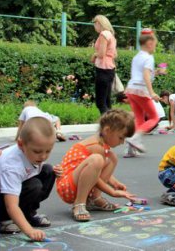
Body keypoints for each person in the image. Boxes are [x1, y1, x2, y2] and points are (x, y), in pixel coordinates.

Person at [56, 109, 136, 222]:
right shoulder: (96, 146)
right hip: (68, 186)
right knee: (97, 159)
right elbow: (96, 178)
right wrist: (112, 192)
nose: (122, 142)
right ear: (107, 130)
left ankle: (94, 199)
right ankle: (79, 203)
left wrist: (114, 182)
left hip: (77, 181)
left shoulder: (103, 145)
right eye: (121, 137)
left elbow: (95, 172)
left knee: (112, 158)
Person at [0, 117, 61, 240]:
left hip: (14, 188)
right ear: (21, 144)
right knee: (34, 185)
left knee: (48, 170)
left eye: (48, 151)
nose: (43, 156)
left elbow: (34, 169)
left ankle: (28, 215)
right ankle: (4, 219)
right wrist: (29, 231)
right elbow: (11, 205)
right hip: (2, 198)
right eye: (37, 151)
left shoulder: (31, 153)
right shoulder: (12, 166)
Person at [123, 28, 161, 157]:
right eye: (155, 43)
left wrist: (155, 72)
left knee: (139, 119)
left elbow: (141, 73)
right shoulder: (149, 57)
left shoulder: (137, 56)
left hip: (131, 89)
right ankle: (134, 139)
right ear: (149, 43)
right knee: (154, 117)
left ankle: (130, 149)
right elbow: (145, 76)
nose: (155, 46)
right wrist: (152, 93)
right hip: (141, 90)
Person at [91, 15, 117, 115]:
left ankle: (108, 125)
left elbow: (101, 53)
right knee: (107, 101)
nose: (94, 26)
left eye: (95, 23)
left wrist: (94, 55)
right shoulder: (111, 35)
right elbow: (115, 54)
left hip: (102, 69)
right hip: (110, 69)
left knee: (100, 102)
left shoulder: (103, 35)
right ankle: (113, 123)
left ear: (99, 23)